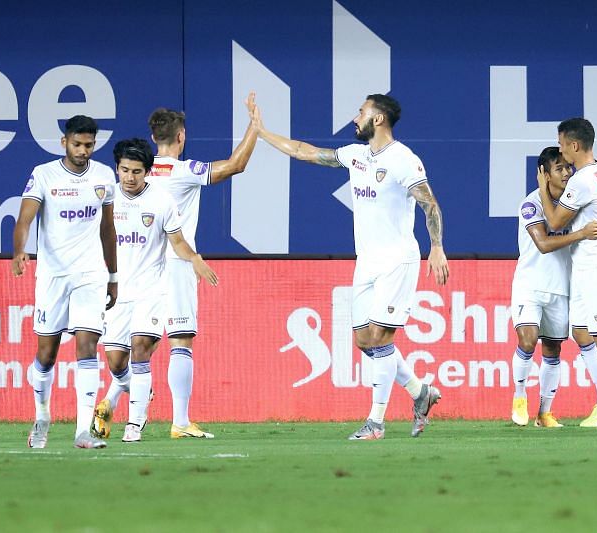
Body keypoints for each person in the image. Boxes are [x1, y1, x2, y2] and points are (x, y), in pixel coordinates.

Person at [254, 93, 449, 440]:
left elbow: (429, 203)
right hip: (367, 261)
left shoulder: (404, 159)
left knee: (380, 336)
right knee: (363, 340)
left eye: (361, 112)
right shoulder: (356, 155)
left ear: (378, 119)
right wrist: (262, 133)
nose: (354, 117)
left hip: (397, 260)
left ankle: (376, 423)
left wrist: (436, 247)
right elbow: (305, 151)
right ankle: (420, 392)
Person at [92, 93, 258, 440]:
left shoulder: (135, 176)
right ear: (181, 137)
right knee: (179, 341)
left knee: (137, 348)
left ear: (153, 138)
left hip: (135, 267)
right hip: (177, 264)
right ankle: (179, 420)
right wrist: (254, 128)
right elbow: (234, 166)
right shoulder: (186, 171)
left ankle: (115, 397)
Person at [94, 139, 218, 443]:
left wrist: (194, 258)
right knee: (116, 363)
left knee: (140, 352)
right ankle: (140, 389)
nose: (130, 177)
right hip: (117, 291)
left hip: (152, 289)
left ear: (147, 172)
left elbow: (177, 240)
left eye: (136, 171)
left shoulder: (161, 201)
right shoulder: (105, 199)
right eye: (124, 170)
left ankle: (134, 424)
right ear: (116, 169)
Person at [12, 115, 118, 449]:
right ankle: (42, 416)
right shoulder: (44, 174)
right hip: (53, 276)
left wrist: (113, 275)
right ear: (64, 142)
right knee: (46, 354)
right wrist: (19, 251)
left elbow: (107, 229)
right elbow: (25, 218)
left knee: (87, 346)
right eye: (77, 144)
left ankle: (83, 432)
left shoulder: (104, 176)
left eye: (89, 145)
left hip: (90, 275)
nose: (83, 150)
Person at [511, 147, 597, 428]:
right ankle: (519, 397)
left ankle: (544, 413)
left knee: (553, 351)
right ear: (544, 174)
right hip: (530, 285)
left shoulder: (573, 203)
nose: (567, 172)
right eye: (559, 168)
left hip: (562, 287)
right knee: (528, 340)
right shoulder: (531, 204)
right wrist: (581, 234)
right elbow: (543, 244)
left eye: (568, 167)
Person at [536, 118, 597, 427]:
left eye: (561, 144)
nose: (560, 150)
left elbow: (556, 223)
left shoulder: (582, 180)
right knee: (582, 333)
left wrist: (542, 188)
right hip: (586, 263)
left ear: (574, 145)